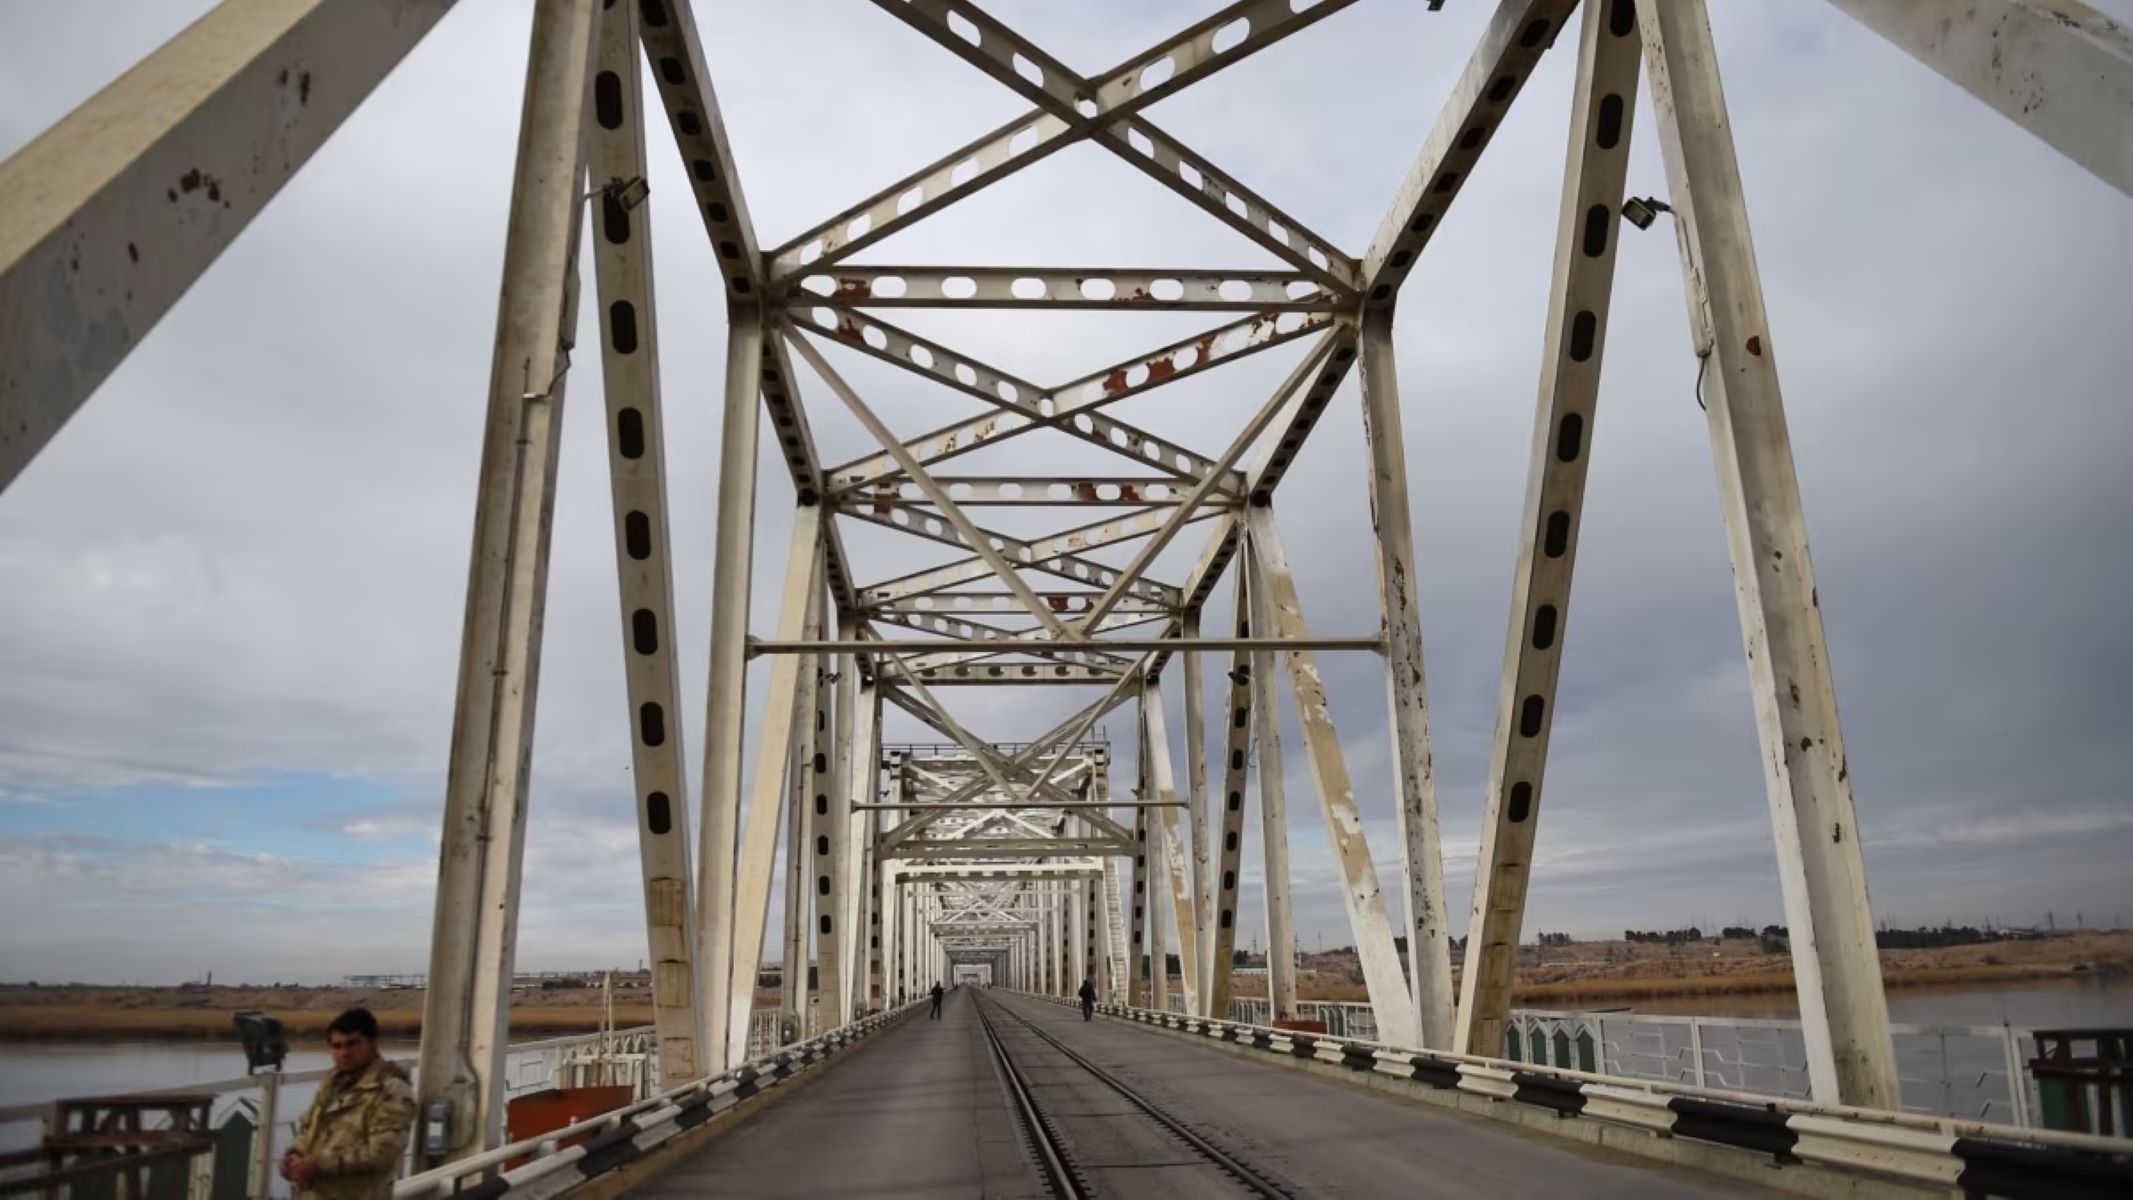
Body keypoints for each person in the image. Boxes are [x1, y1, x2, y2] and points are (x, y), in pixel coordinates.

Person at [281, 1008, 415, 1200]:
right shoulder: (331, 1083)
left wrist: (318, 1164)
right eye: (337, 1046)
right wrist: (293, 1156)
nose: (344, 1053)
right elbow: (308, 1128)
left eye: (352, 1044)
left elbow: (383, 1153)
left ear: (372, 1042)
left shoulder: (390, 1089)